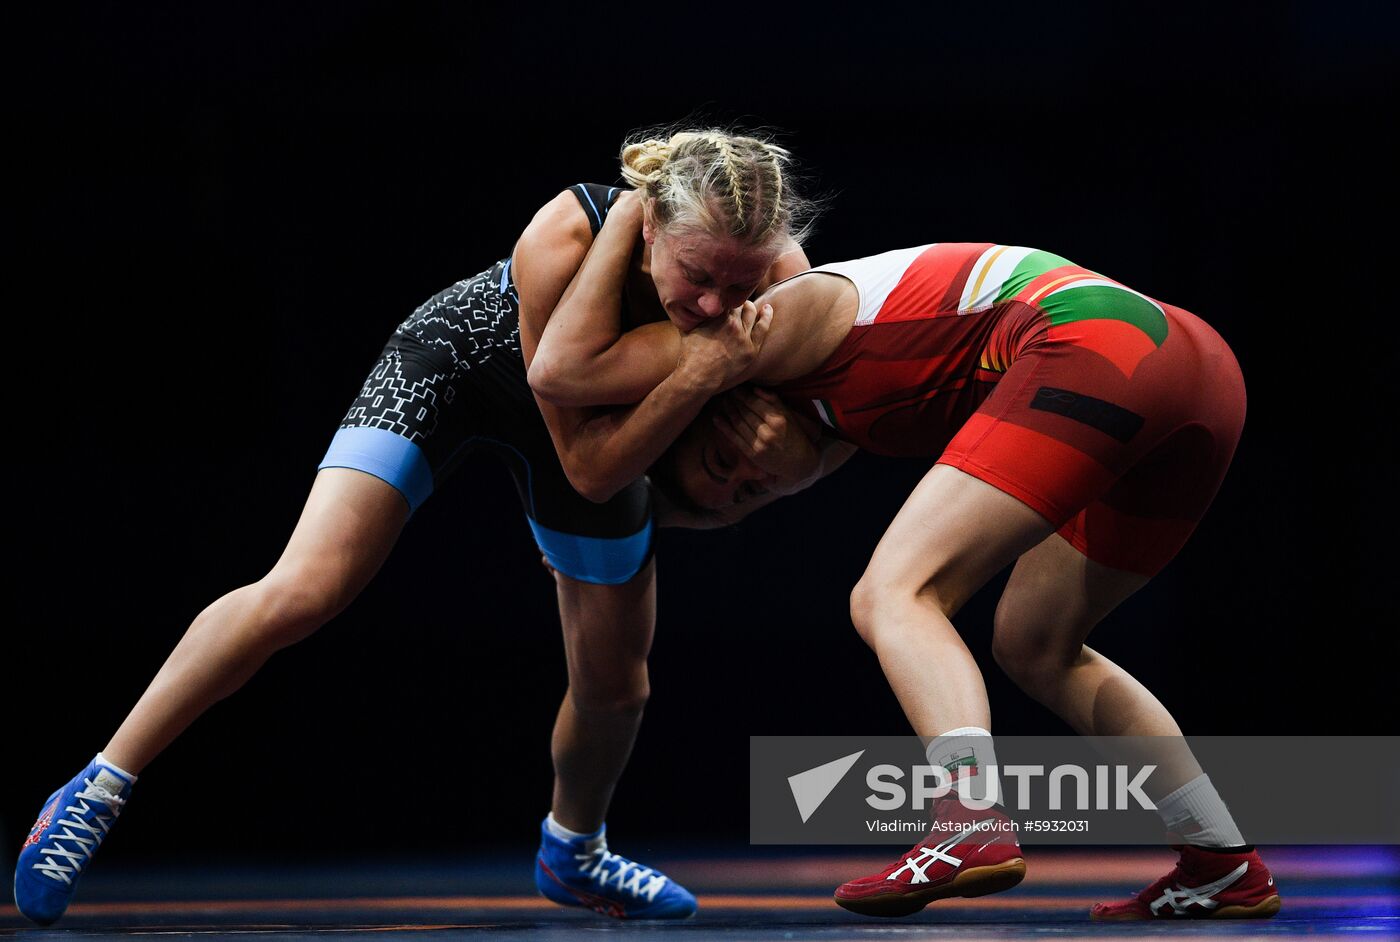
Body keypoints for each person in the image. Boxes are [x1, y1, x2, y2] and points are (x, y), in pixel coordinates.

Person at [13, 128, 843, 926]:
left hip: (610, 417)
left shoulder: (781, 276)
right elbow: (587, 465)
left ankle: (573, 850)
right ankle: (95, 787)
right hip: (461, 364)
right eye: (697, 276)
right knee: (306, 587)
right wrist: (701, 371)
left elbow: (834, 433)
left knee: (616, 687)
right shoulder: (566, 230)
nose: (714, 305)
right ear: (652, 222)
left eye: (739, 288)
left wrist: (792, 466)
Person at [529, 215, 1282, 921]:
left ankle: (968, 821)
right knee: (1038, 647)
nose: (750, 475)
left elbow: (563, 369)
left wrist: (628, 213)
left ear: (724, 400)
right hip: (1196, 369)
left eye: (728, 458)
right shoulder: (833, 419)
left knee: (895, 593)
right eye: (743, 498)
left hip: (1098, 343)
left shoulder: (753, 336)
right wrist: (773, 477)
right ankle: (1219, 858)